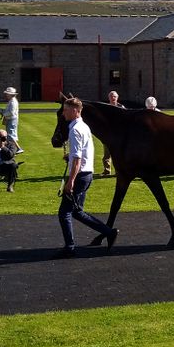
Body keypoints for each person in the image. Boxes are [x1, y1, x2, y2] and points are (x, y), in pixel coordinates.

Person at [55, 97, 118, 259]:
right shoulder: (84, 126)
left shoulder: (75, 130)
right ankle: (109, 232)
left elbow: (77, 160)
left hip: (80, 175)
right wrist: (70, 157)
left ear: (75, 111)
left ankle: (70, 247)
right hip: (87, 174)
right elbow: (83, 152)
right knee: (77, 212)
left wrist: (70, 182)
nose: (63, 113)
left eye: (66, 110)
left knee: (64, 213)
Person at [102, 91, 126, 176]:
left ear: (117, 97)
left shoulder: (121, 107)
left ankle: (118, 171)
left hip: (118, 135)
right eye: (111, 96)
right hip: (108, 134)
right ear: (109, 98)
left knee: (118, 154)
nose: (113, 98)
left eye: (114, 96)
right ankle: (107, 170)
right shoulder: (105, 108)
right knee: (107, 154)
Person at [1, 87, 23, 154]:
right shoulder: (11, 101)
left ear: (11, 94)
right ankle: (14, 149)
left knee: (11, 135)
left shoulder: (13, 102)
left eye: (7, 94)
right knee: (10, 135)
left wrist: (3, 113)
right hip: (11, 119)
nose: (6, 95)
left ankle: (18, 148)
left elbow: (11, 112)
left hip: (12, 119)